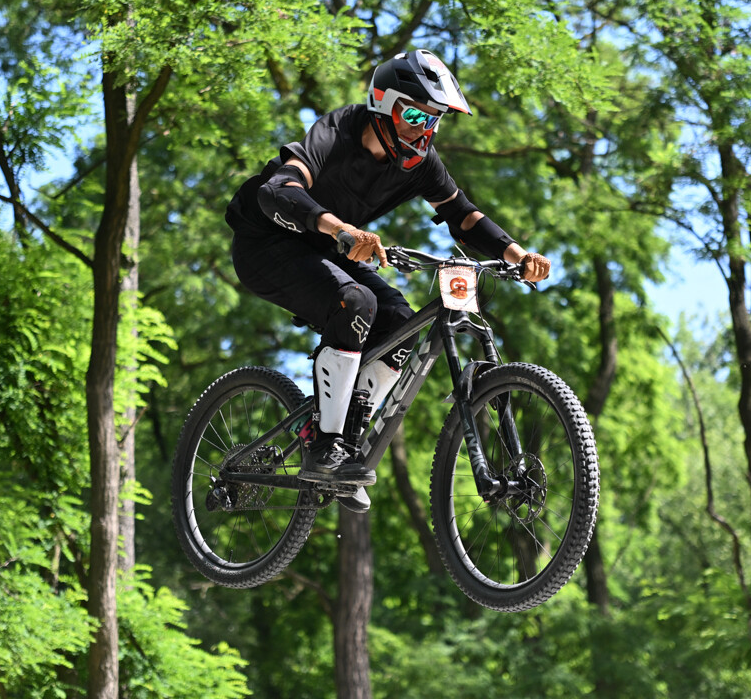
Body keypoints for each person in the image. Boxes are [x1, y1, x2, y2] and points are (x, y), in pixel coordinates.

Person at [224, 50, 551, 513]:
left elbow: (462, 214)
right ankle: (326, 447)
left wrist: (515, 253)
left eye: (434, 119)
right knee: (356, 302)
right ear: (384, 103)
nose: (425, 129)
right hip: (267, 246)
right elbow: (277, 190)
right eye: (415, 114)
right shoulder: (335, 133)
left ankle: (347, 442)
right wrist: (340, 229)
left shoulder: (420, 163)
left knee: (400, 321)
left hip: (325, 251)